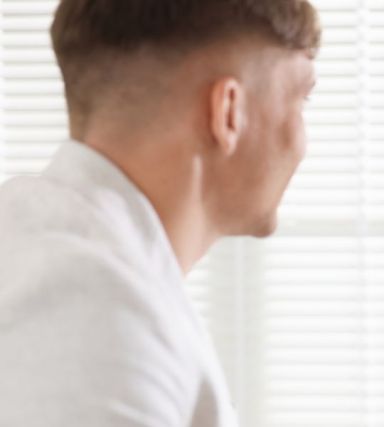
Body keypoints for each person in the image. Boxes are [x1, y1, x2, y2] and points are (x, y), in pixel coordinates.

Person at [0, 1, 319, 425]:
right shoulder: (94, 307)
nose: (303, 140)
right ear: (228, 112)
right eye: (301, 99)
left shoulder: (41, 241)